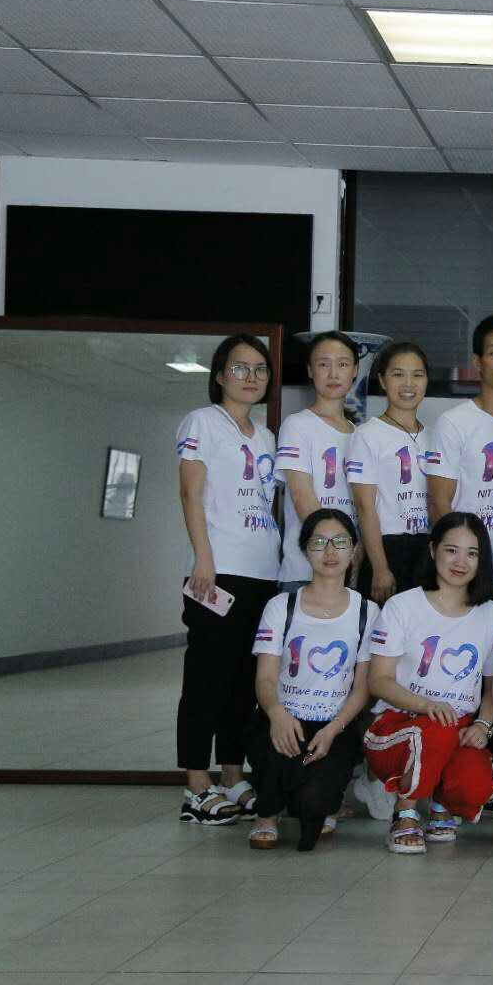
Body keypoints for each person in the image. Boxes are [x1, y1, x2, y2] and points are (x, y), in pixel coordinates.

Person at [174, 333, 280, 824]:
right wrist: (204, 558)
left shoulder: (265, 436)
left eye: (260, 369)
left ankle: (234, 776)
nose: (251, 377)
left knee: (245, 682)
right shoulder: (203, 422)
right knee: (207, 679)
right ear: (219, 376)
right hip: (219, 573)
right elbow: (190, 494)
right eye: (240, 368)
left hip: (263, 572)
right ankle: (197, 784)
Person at [363, 513, 493, 853]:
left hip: (459, 727)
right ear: (432, 550)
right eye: (451, 550)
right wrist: (426, 705)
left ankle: (443, 803)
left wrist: (483, 725)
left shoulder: (491, 614)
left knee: (474, 785)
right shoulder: (402, 605)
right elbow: (378, 680)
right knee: (437, 729)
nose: (461, 562)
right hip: (397, 727)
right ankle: (405, 812)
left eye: (472, 553)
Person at [246, 509, 374, 851]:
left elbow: (362, 687)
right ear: (304, 550)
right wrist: (276, 714)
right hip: (285, 717)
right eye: (319, 542)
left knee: (313, 804)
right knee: (272, 753)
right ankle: (267, 813)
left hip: (335, 723)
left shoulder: (367, 612)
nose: (330, 552)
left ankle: (316, 799)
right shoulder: (281, 606)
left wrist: (333, 729)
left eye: (340, 542)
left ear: (354, 550)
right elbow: (265, 678)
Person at [425, 314, 493, 612]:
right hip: (465, 576)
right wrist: (463, 564)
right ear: (477, 362)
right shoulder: (454, 422)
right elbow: (439, 502)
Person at [348, 342, 431, 602]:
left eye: (417, 375)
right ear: (383, 381)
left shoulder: (436, 437)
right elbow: (365, 507)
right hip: (388, 548)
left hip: (428, 549)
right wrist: (380, 567)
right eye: (398, 374)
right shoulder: (367, 435)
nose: (408, 384)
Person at [276, 332, 357, 593]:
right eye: (323, 364)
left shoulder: (359, 433)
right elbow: (302, 498)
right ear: (310, 370)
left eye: (342, 364)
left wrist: (351, 560)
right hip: (305, 571)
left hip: (348, 571)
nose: (333, 374)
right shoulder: (297, 425)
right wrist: (332, 551)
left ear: (355, 370)